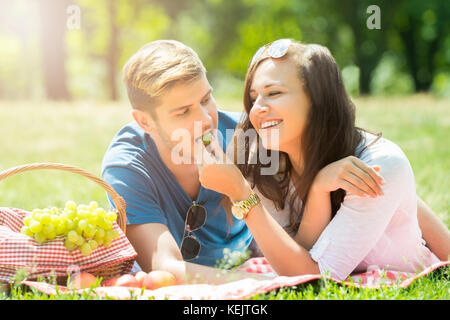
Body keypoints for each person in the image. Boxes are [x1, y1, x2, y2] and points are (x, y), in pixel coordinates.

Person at [195, 39, 450, 280]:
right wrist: (318, 191)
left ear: (317, 100)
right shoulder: (264, 164)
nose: (257, 108)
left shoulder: (379, 163)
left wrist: (242, 195)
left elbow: (315, 278)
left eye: (274, 93)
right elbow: (296, 259)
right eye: (253, 98)